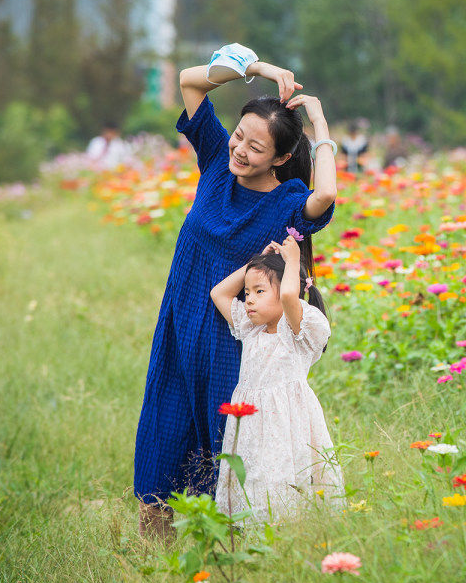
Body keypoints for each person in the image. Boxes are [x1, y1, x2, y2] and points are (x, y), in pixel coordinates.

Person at [133, 45, 339, 541]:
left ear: (283, 157)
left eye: (256, 147)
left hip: (234, 341)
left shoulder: (289, 202)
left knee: (224, 447)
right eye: (239, 136)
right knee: (163, 434)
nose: (240, 150)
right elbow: (189, 80)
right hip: (181, 326)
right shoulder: (216, 165)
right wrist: (261, 70)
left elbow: (327, 195)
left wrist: (319, 121)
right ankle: (154, 560)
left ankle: (222, 553)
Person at [211, 234, 345, 524]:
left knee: (281, 478)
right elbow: (219, 293)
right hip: (250, 425)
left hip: (285, 423)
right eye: (247, 293)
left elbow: (287, 297)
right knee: (253, 479)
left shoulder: (297, 330)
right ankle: (253, 534)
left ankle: (287, 533)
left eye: (259, 292)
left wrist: (294, 261)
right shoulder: (251, 329)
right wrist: (254, 264)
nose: (248, 300)